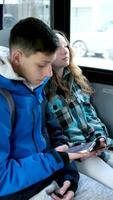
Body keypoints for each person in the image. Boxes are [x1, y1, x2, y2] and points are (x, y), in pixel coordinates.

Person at [0, 19, 113, 200]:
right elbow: (2, 180)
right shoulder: (4, 99)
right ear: (17, 58)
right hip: (22, 191)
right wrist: (58, 159)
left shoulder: (36, 86)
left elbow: (54, 135)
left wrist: (68, 176)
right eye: (42, 65)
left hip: (54, 175)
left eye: (50, 64)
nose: (49, 73)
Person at [45, 30, 113, 190]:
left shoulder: (76, 79)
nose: (65, 51)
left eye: (66, 46)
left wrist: (100, 138)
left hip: (94, 144)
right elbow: (54, 134)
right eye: (57, 48)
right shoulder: (44, 88)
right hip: (77, 153)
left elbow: (90, 114)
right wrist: (83, 149)